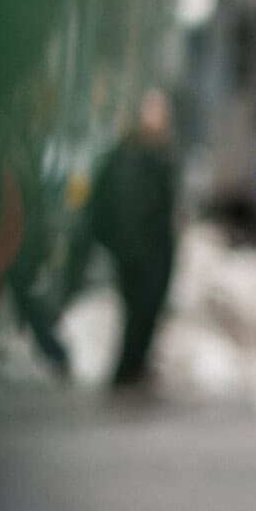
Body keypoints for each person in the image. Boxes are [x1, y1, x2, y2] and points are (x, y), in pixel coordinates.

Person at [90, 88, 182, 390]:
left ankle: (134, 368)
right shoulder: (131, 156)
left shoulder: (161, 154)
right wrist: (127, 248)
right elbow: (118, 208)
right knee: (137, 313)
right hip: (137, 253)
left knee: (147, 313)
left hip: (154, 251)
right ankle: (126, 371)